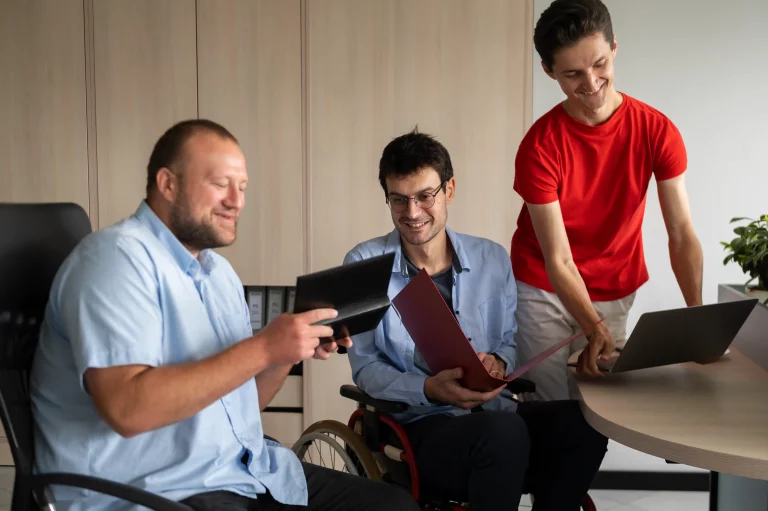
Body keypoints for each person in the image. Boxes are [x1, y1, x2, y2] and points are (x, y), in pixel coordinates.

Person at [29, 120, 419, 511]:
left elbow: (244, 407)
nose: (237, 200)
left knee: (395, 506)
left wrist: (285, 353)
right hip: (155, 491)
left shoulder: (219, 275)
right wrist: (264, 349)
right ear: (168, 184)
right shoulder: (115, 260)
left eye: (243, 187)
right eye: (220, 184)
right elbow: (128, 410)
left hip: (241, 472)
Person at [344, 128, 608, 510]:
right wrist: (429, 388)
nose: (412, 213)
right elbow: (366, 368)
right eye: (399, 200)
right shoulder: (361, 266)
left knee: (582, 422)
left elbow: (507, 341)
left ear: (449, 190)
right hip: (419, 426)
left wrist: (498, 362)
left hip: (496, 413)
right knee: (504, 433)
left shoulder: (493, 258)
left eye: (424, 196)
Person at [511, 0, 704, 401]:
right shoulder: (540, 146)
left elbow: (681, 233)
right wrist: (591, 324)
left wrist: (696, 318)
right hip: (544, 284)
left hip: (614, 282)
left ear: (614, 47)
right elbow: (558, 260)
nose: (592, 82)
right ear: (549, 71)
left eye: (600, 64)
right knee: (549, 404)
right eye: (573, 74)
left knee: (603, 404)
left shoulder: (657, 131)